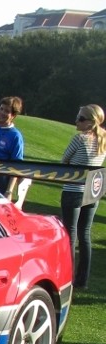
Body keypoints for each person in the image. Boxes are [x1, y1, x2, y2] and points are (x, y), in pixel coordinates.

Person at [60, 104, 106, 289]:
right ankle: (82, 280)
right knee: (84, 235)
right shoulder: (103, 139)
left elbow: (64, 161)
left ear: (89, 122)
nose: (76, 121)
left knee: (70, 234)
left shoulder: (79, 139)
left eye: (80, 119)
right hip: (93, 191)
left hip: (74, 189)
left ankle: (68, 277)